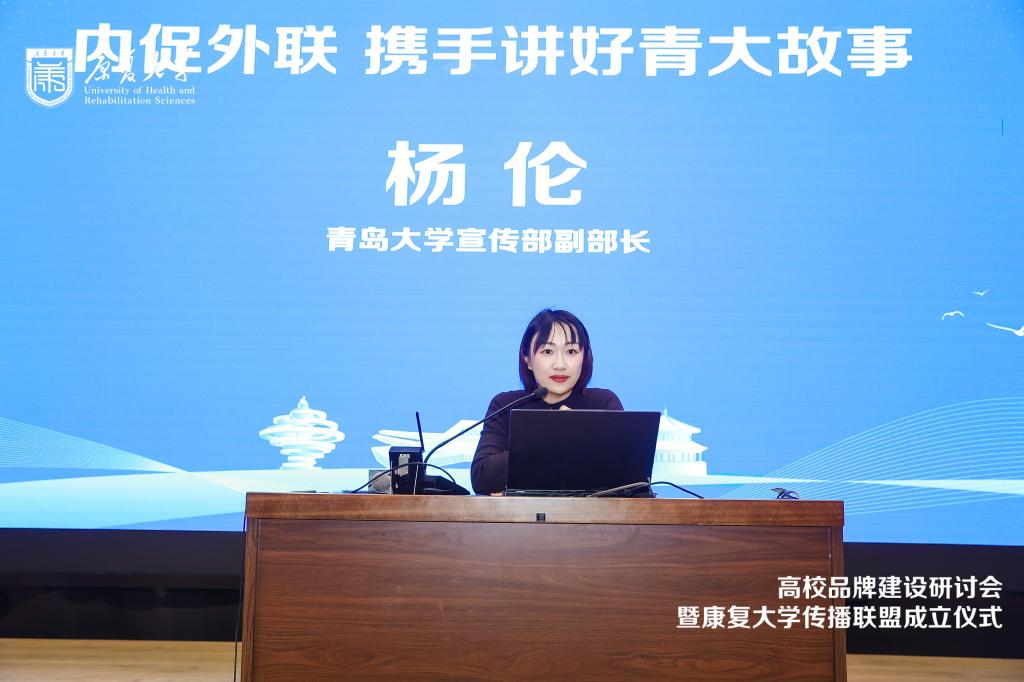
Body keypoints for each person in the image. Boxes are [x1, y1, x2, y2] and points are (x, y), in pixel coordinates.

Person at [470, 309, 623, 495]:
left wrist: (581, 434)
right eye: (548, 351)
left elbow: (626, 478)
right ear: (527, 359)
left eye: (571, 351)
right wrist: (549, 436)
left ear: (584, 357)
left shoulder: (603, 404)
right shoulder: (506, 405)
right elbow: (483, 479)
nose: (560, 364)